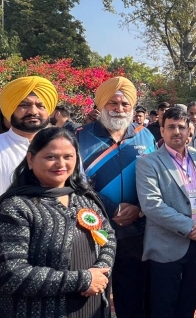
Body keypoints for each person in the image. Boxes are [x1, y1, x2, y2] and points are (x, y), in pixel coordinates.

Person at [0, 127, 116, 318]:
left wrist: (100, 271)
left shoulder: (85, 199)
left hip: (92, 309)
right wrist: (83, 280)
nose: (61, 164)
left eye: (68, 156)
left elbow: (107, 237)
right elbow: (11, 274)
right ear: (31, 159)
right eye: (51, 157)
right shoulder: (16, 208)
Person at [77, 76, 157, 318]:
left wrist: (140, 208)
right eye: (113, 103)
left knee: (133, 295)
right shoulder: (81, 136)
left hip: (137, 228)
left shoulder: (145, 135)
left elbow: (156, 179)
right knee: (94, 297)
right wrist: (111, 208)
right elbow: (76, 183)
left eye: (125, 104)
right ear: (101, 105)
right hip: (94, 230)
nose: (119, 109)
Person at [136, 106, 196, 318]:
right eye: (171, 126)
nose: (176, 132)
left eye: (181, 127)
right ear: (161, 130)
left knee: (188, 303)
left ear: (189, 130)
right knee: (163, 306)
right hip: (166, 245)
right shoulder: (148, 163)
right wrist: (190, 226)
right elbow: (152, 204)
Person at [0, 76, 58, 200]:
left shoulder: (65, 148)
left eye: (40, 106)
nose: (33, 111)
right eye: (24, 105)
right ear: (10, 109)